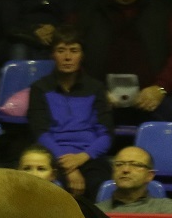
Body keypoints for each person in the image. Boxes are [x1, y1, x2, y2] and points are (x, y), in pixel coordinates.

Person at [76, 0, 172, 125]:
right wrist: (94, 91)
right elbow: (68, 55)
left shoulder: (162, 12)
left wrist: (160, 88)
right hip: (98, 97)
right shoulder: (86, 13)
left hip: (152, 97)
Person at [27, 27, 112, 198]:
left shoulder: (95, 88)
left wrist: (83, 157)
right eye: (61, 50)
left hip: (89, 157)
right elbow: (41, 134)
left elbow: (107, 134)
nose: (67, 57)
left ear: (82, 55)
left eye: (74, 51)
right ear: (52, 55)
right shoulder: (40, 88)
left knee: (99, 183)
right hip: (53, 157)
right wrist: (69, 166)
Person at [97, 145, 172, 213]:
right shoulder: (97, 211)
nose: (125, 170)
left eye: (135, 165)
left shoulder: (164, 208)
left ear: (149, 175)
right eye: (119, 164)